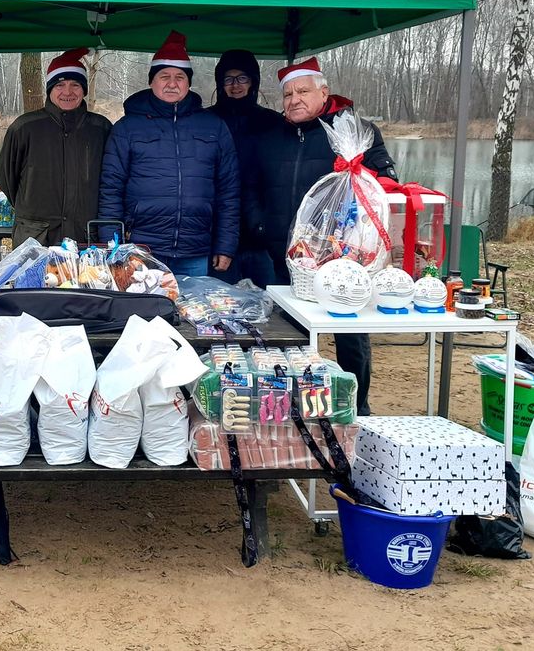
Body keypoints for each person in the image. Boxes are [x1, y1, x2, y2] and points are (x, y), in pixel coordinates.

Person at [242, 56, 397, 416]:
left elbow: (382, 185)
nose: (294, 99)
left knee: (351, 339)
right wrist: (261, 226)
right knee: (289, 334)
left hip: (344, 258)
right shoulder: (270, 138)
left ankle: (355, 407)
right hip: (289, 256)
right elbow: (251, 187)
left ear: (323, 92)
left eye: (303, 91)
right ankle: (292, 404)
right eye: (288, 94)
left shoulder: (355, 132)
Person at [98, 31, 239, 277]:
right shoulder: (127, 128)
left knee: (193, 314)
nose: (172, 83)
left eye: (179, 77)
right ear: (152, 81)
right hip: (140, 250)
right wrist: (113, 247)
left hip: (195, 251)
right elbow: (110, 190)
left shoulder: (214, 127)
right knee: (141, 315)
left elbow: (229, 190)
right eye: (164, 76)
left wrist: (225, 245)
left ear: (188, 82)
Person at [0, 47, 112, 246]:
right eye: (60, 85)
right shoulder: (24, 128)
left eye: (75, 85)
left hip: (85, 238)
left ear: (84, 90)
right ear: (50, 88)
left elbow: (112, 180)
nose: (67, 92)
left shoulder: (101, 129)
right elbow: (8, 181)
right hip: (36, 238)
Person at [208, 49, 283, 288]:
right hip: (217, 235)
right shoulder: (206, 121)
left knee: (271, 308)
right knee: (220, 305)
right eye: (228, 79)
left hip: (262, 237)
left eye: (242, 78)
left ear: (253, 82)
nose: (235, 85)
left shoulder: (273, 122)